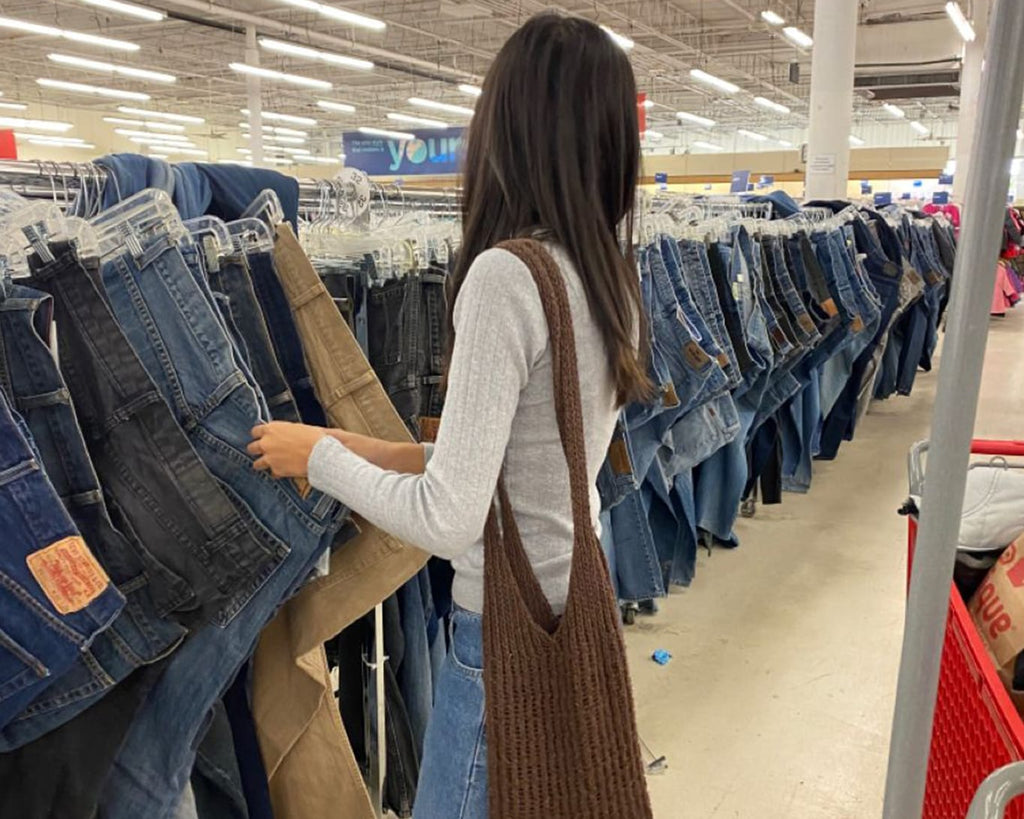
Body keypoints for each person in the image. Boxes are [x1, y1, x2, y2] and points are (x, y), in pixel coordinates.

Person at [247, 11, 650, 818]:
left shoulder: (508, 277)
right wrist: (357, 445)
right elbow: (527, 466)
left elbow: (450, 516)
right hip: (576, 603)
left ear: (510, 129)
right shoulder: (609, 278)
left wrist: (319, 462)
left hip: (503, 642)